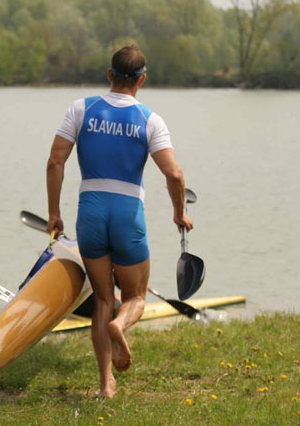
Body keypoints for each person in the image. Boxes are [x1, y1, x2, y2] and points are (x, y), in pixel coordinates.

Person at [46, 45, 193, 398]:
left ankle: (105, 384)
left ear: (110, 75)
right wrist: (178, 213)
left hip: (91, 213)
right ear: (142, 80)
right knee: (136, 296)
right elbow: (173, 174)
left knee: (101, 298)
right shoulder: (150, 120)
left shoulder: (81, 110)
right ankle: (121, 323)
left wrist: (54, 213)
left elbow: (55, 162)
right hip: (127, 215)